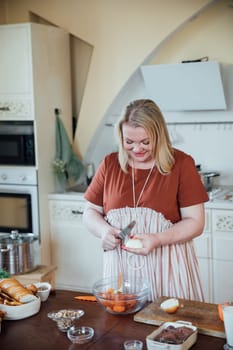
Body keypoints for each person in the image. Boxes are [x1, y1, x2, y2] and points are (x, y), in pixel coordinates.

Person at [83, 99, 209, 302]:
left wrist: (157, 239)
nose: (137, 149)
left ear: (159, 136)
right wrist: (103, 231)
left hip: (168, 267)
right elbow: (90, 213)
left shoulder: (181, 164)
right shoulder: (110, 164)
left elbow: (196, 223)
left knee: (171, 326)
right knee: (121, 329)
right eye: (129, 142)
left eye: (145, 142)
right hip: (120, 268)